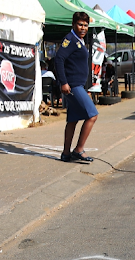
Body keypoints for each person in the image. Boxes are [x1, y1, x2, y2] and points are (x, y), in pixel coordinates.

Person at [54, 11, 97, 163]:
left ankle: (66, 153)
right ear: (73, 24)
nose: (83, 28)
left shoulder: (79, 40)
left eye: (86, 25)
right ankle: (78, 150)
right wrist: (63, 82)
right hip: (72, 85)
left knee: (72, 120)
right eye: (80, 25)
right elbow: (59, 59)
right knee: (92, 115)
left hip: (78, 85)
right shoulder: (70, 39)